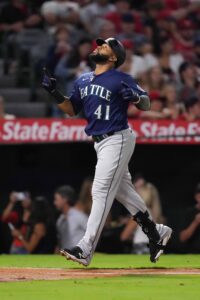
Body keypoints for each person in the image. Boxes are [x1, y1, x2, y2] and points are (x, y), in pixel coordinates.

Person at [42, 36, 172, 266]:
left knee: (100, 190)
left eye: (106, 45)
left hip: (118, 138)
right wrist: (54, 92)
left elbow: (146, 103)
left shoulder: (121, 78)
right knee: (124, 193)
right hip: (100, 143)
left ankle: (86, 247)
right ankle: (156, 231)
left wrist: (137, 98)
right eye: (100, 43)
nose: (99, 45)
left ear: (113, 57)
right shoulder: (83, 80)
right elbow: (72, 109)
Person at [54, 185, 88, 250]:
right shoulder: (60, 219)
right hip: (64, 255)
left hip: (79, 255)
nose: (55, 203)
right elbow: (60, 239)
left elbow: (92, 234)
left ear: (65, 199)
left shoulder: (79, 216)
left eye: (57, 199)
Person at [179, 183, 200, 253]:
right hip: (193, 253)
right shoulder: (189, 213)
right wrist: (195, 222)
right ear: (197, 197)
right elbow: (182, 238)